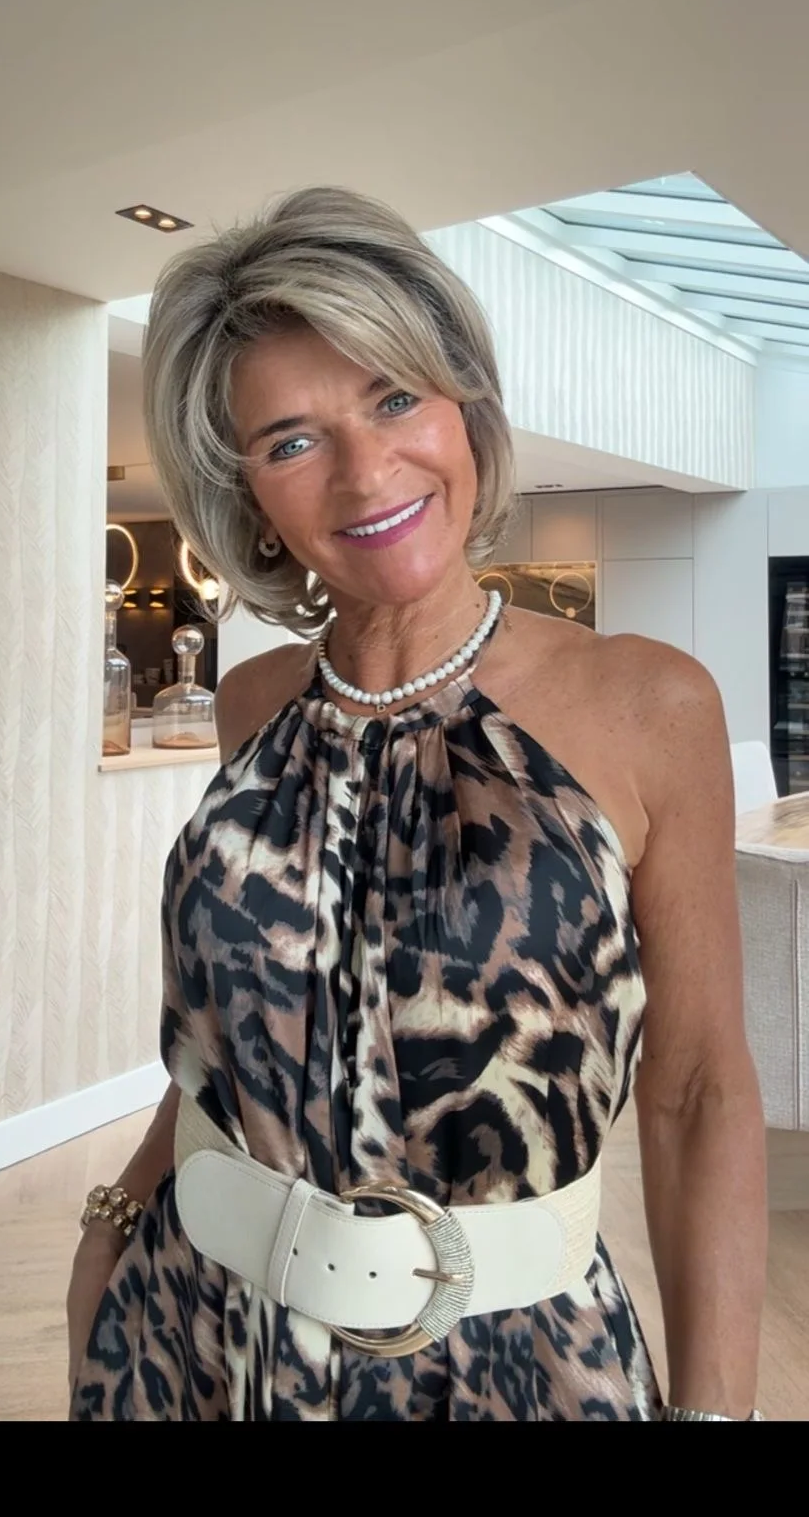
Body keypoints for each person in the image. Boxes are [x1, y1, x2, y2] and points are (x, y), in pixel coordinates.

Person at [67, 185, 767, 1422]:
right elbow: (240, 1033)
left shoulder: (648, 703)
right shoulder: (257, 700)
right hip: (198, 1330)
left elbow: (700, 1087)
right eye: (291, 440)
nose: (365, 471)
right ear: (249, 492)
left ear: (464, 407)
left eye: (394, 397)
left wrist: (718, 1409)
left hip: (515, 1362)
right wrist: (115, 1219)